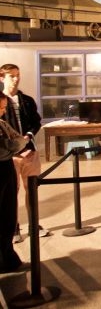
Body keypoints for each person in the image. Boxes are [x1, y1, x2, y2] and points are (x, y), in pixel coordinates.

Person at [0, 63, 49, 242]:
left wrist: (27, 138)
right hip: (9, 156)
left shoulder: (27, 100)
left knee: (32, 189)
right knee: (11, 194)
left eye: (18, 75)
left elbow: (35, 122)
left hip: (30, 152)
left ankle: (34, 224)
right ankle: (14, 228)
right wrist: (14, 149)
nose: (16, 79)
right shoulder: (1, 100)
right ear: (2, 78)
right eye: (11, 76)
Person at [0, 92, 27, 273]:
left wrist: (13, 144)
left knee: (8, 214)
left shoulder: (2, 124)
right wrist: (13, 144)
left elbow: (17, 141)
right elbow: (10, 145)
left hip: (6, 168)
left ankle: (8, 257)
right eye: (0, 108)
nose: (3, 112)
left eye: (4, 108)